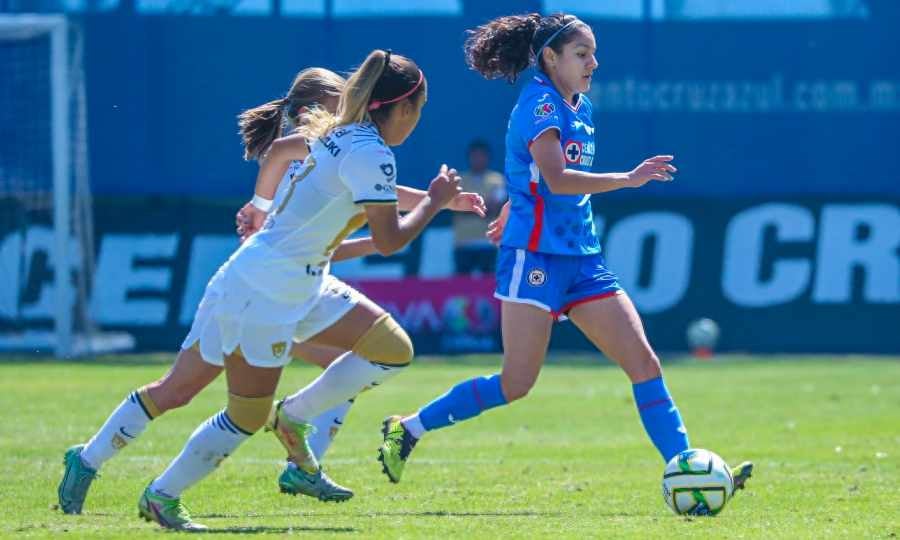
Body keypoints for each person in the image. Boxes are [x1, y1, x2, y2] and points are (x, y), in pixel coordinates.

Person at [56, 61, 483, 527]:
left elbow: (352, 182)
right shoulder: (368, 150)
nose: (419, 117)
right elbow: (388, 241)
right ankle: (160, 494)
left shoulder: (343, 135)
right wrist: (435, 202)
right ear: (400, 107)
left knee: (391, 348)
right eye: (420, 107)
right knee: (234, 411)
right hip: (266, 291)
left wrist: (260, 209)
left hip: (292, 280)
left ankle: (290, 418)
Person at [375, 14, 753, 503]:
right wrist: (628, 178)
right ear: (550, 58)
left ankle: (688, 470)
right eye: (582, 53)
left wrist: (512, 204)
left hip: (582, 258)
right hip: (533, 258)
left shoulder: (581, 107)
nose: (593, 62)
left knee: (644, 364)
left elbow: (528, 174)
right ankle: (408, 429)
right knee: (516, 383)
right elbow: (556, 178)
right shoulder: (538, 103)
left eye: (593, 53)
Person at [452, 140, 506, 274]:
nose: (478, 159)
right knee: (462, 287)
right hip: (463, 243)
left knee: (488, 286)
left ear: (488, 158)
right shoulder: (460, 180)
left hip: (488, 242)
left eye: (481, 156)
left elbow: (495, 207)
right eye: (475, 156)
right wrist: (481, 207)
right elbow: (455, 206)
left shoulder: (497, 179)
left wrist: (468, 207)